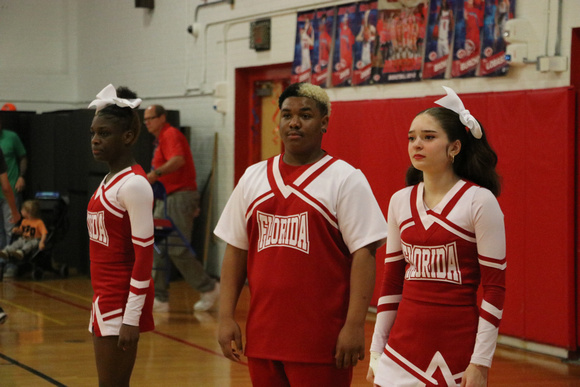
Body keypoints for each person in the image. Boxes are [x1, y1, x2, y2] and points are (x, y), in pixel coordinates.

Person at [215, 82, 388, 387]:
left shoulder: (346, 179)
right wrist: (226, 316)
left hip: (323, 340)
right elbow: (236, 250)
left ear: (324, 123)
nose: (294, 122)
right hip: (263, 336)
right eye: (286, 114)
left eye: (305, 115)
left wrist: (354, 325)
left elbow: (364, 254)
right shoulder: (252, 177)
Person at [367, 86, 506, 387]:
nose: (416, 144)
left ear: (454, 147)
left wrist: (480, 362)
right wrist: (376, 348)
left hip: (454, 352)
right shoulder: (399, 201)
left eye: (428, 137)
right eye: (412, 137)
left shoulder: (479, 202)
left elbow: (494, 289)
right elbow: (392, 281)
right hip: (400, 351)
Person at [87, 84, 155, 387]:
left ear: (127, 137)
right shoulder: (109, 179)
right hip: (103, 297)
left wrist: (131, 318)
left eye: (104, 133)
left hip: (120, 301)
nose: (95, 140)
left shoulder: (134, 185)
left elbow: (144, 258)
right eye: (93, 133)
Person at [144, 104, 219, 313]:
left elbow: (178, 160)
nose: (147, 122)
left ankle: (209, 287)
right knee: (156, 246)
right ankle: (160, 298)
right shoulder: (160, 140)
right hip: (166, 198)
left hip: (179, 197)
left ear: (162, 118)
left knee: (176, 248)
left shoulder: (171, 135)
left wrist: (155, 174)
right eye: (145, 119)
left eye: (150, 118)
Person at [0, 115, 28, 277]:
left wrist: (21, 176)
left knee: (11, 230)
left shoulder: (11, 137)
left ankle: (10, 264)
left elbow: (23, 156)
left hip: (9, 191)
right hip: (6, 190)